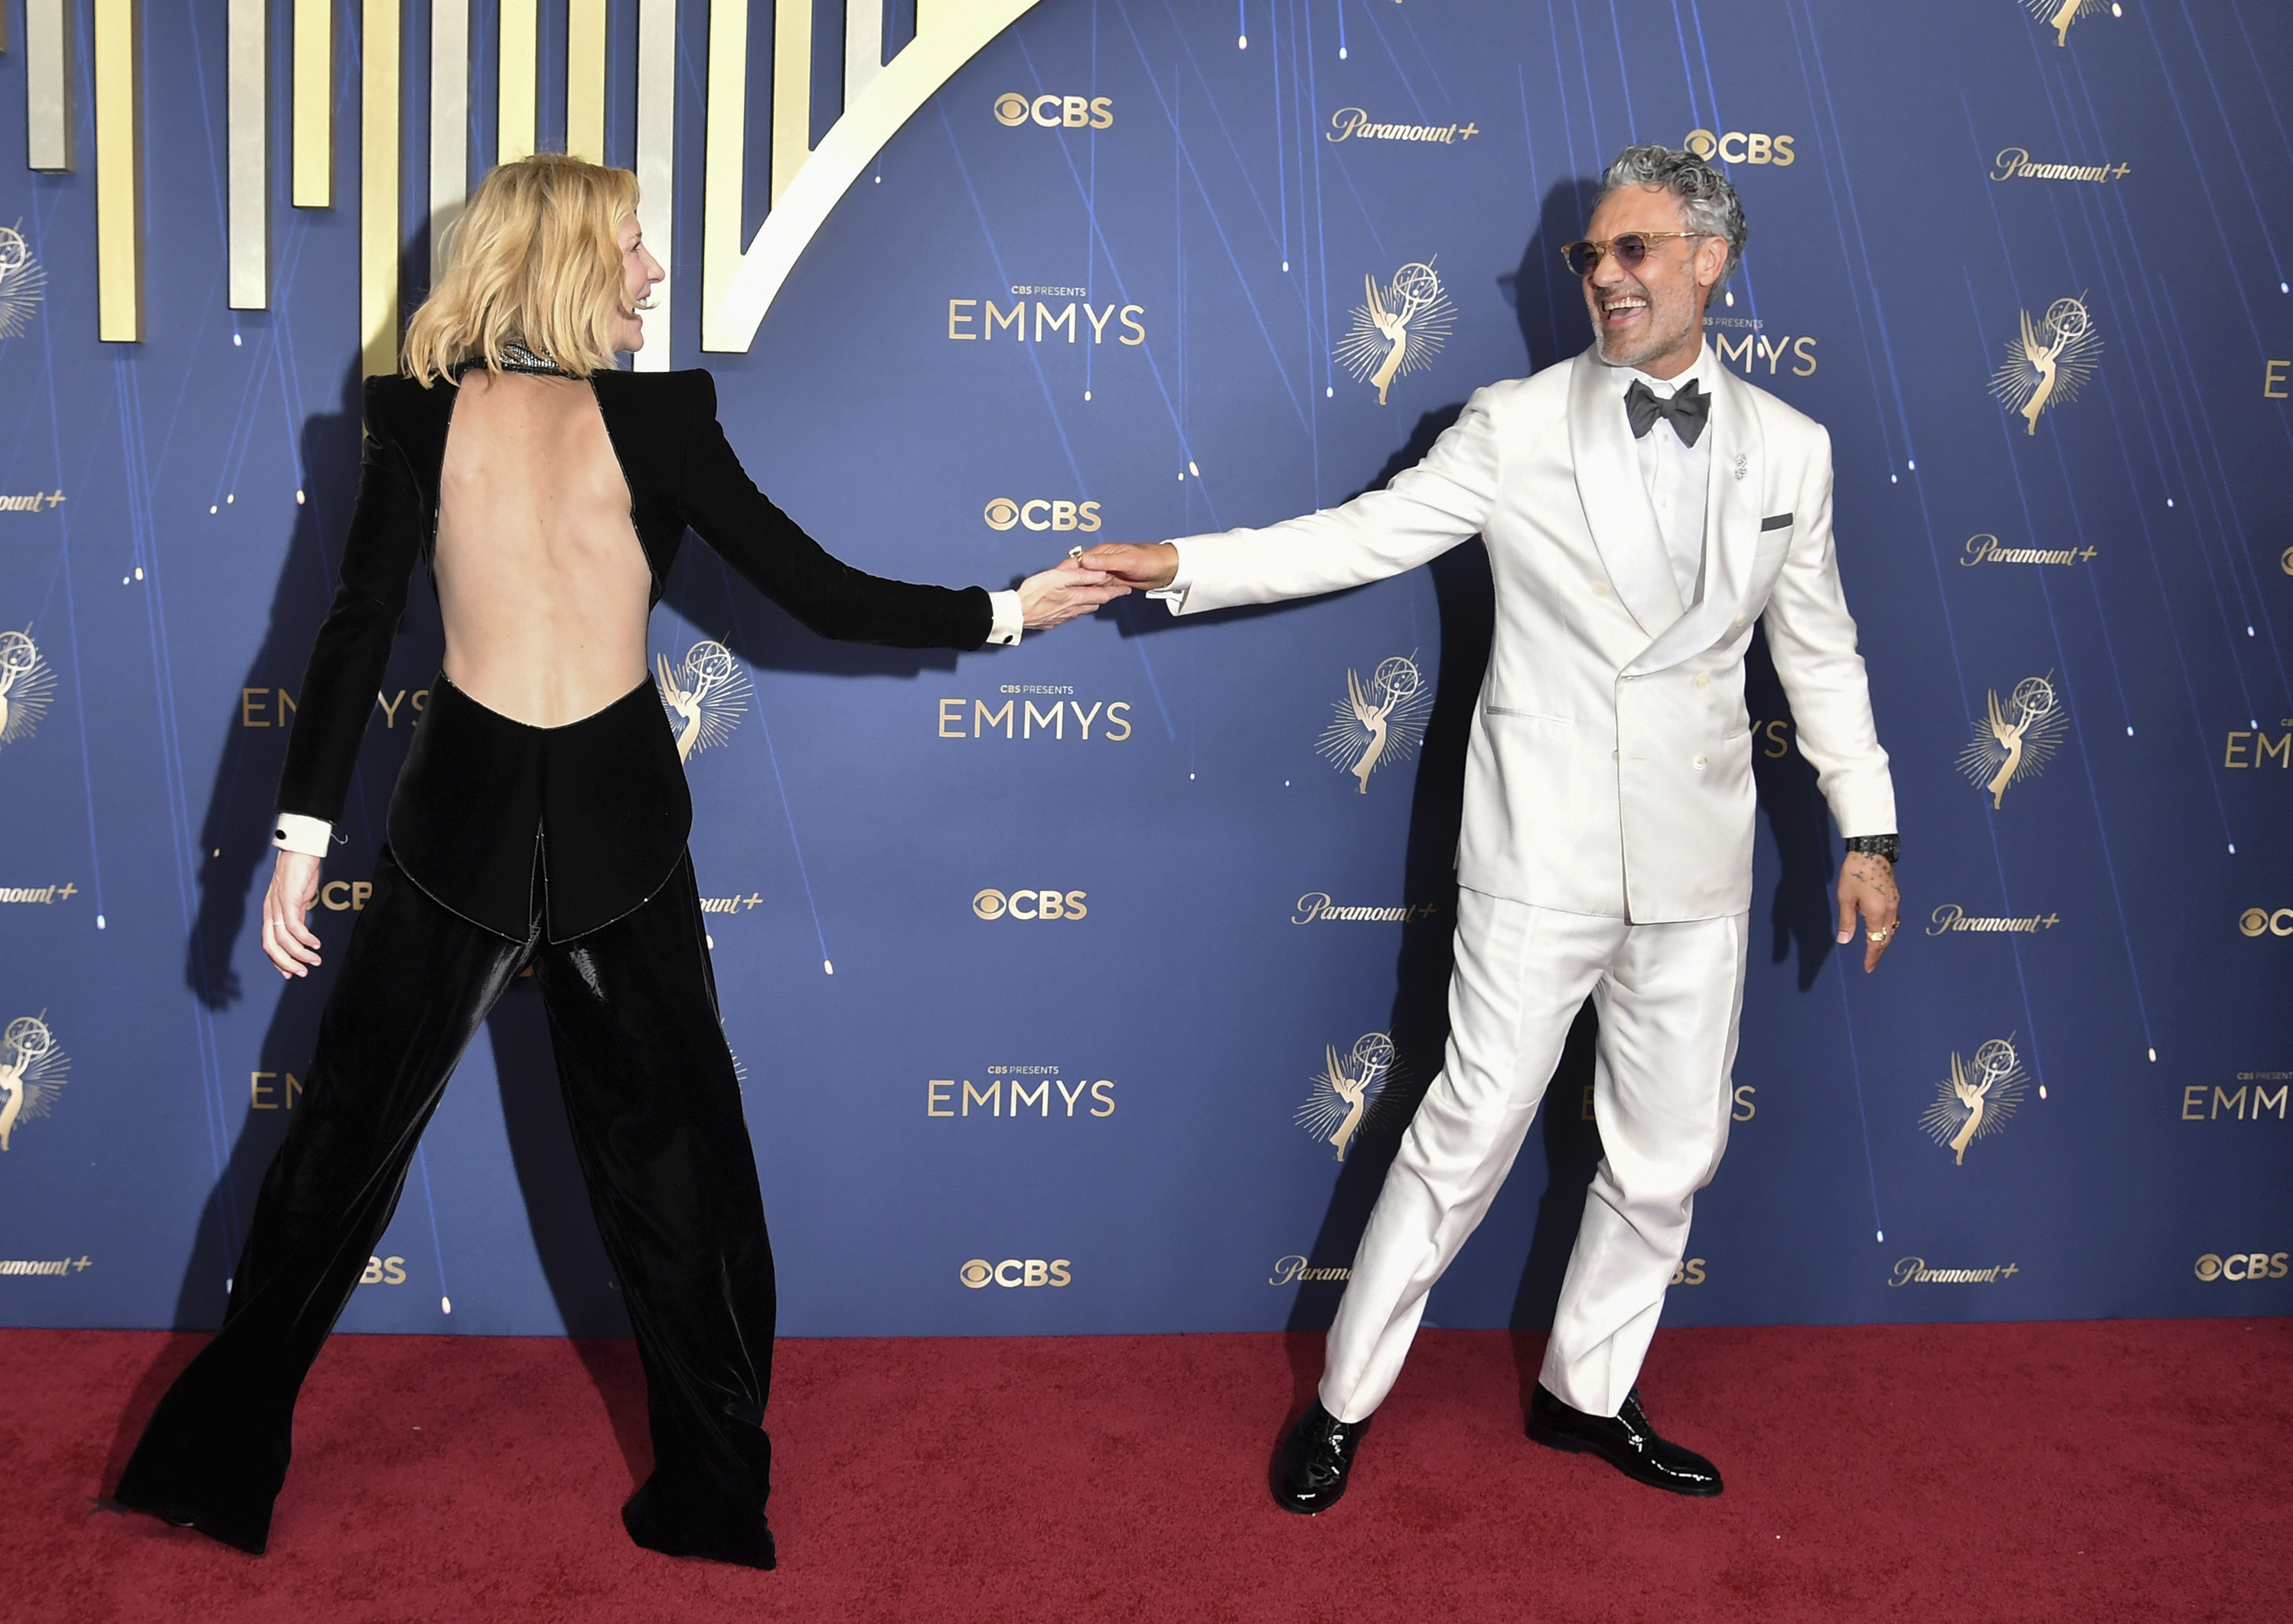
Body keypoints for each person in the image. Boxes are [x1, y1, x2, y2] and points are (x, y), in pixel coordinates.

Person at [113, 154, 1124, 1568]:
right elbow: (818, 593)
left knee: (340, 1151)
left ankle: (212, 1471)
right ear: (567, 257)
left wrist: (300, 840)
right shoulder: (637, 416)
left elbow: (354, 630)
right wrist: (1007, 610)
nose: (652, 269)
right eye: (634, 244)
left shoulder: (429, 410)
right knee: (675, 1174)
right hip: (606, 828)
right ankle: (712, 1496)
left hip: (469, 825)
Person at [1079, 145, 1900, 1509]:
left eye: (1633, 250)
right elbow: (1362, 534)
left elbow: (1817, 649)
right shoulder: (1513, 425)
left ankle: (1587, 1392)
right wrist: (1182, 565)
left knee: (1667, 1156)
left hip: (1697, 862)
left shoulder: (1791, 448)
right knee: (1463, 1136)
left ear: (1708, 260)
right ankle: (1342, 1401)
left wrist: (1865, 830)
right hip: (1538, 855)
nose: (1603, 277)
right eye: (1589, 256)